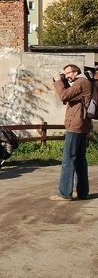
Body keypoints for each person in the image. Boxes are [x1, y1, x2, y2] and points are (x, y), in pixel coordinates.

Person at [50, 64, 91, 201]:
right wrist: (65, 83)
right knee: (80, 160)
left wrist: (58, 81)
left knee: (68, 160)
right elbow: (69, 97)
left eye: (68, 73)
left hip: (75, 126)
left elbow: (63, 96)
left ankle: (65, 193)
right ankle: (83, 193)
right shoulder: (84, 83)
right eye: (65, 74)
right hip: (82, 125)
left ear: (75, 72)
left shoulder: (81, 82)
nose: (66, 76)